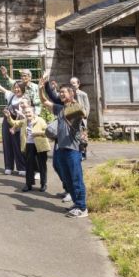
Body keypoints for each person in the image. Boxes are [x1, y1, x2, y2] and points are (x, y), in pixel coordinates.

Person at [40, 74, 88, 218]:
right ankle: (75, 202)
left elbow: (83, 113)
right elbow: (44, 101)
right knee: (67, 178)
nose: (61, 94)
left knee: (76, 178)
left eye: (64, 92)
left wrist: (76, 109)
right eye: (60, 92)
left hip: (72, 149)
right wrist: (41, 88)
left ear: (71, 94)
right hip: (61, 148)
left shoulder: (75, 107)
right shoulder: (60, 108)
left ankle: (82, 207)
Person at [0, 69, 27, 176]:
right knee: (7, 144)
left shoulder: (25, 99)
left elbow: (22, 115)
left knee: (17, 144)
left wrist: (15, 127)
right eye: (15, 87)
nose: (16, 89)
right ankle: (8, 166)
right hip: (6, 121)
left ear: (23, 89)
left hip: (17, 122)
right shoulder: (11, 95)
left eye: (18, 88)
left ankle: (21, 167)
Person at [4, 97, 50, 192]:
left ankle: (43, 184)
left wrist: (38, 133)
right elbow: (14, 123)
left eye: (29, 112)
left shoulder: (40, 120)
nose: (27, 114)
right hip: (28, 145)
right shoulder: (24, 121)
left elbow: (48, 132)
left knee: (42, 165)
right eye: (26, 113)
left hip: (40, 146)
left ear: (33, 113)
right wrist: (8, 116)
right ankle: (28, 184)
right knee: (29, 165)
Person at [70, 77, 90, 160]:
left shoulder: (83, 94)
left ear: (78, 84)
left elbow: (87, 106)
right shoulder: (69, 94)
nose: (72, 85)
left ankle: (83, 153)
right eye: (71, 83)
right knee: (74, 137)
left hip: (81, 118)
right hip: (72, 119)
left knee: (83, 137)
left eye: (74, 83)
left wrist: (85, 116)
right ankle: (75, 153)